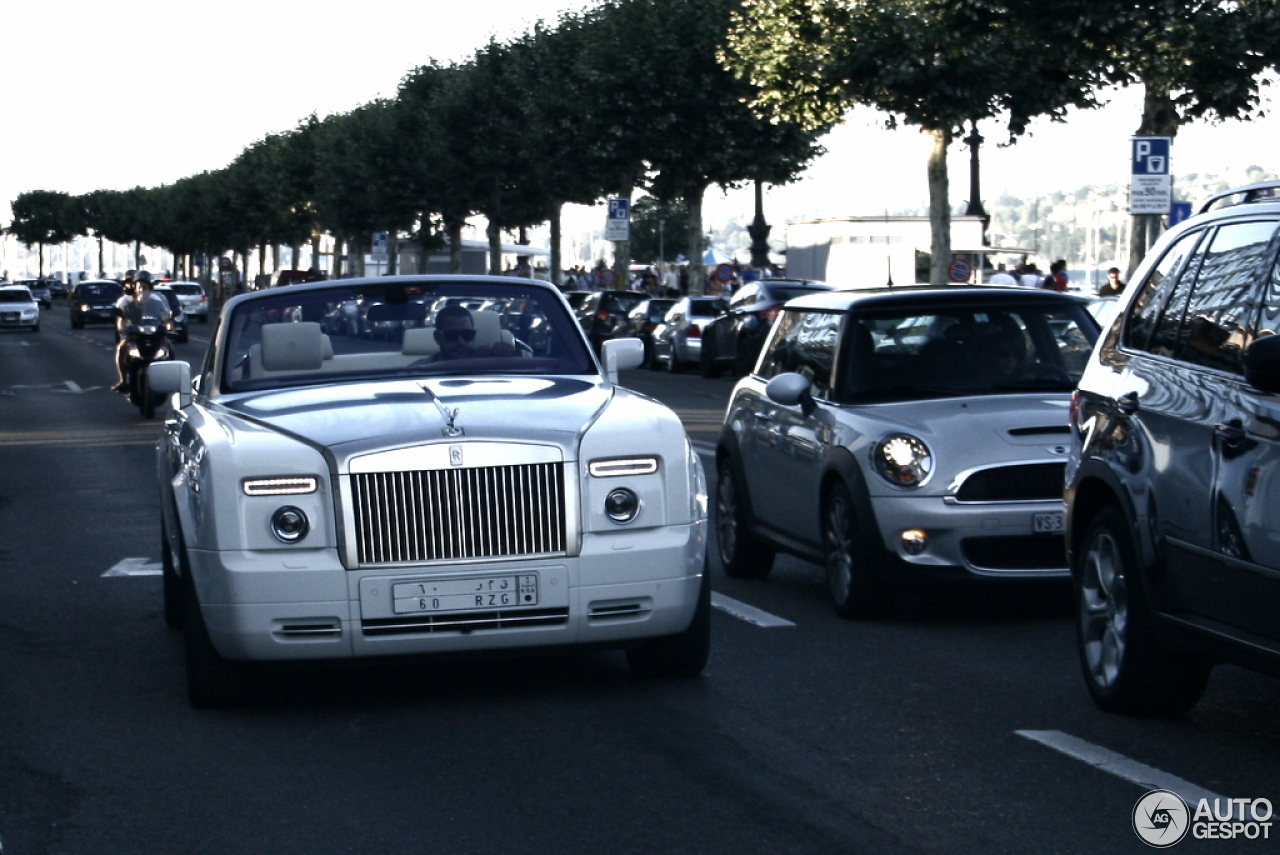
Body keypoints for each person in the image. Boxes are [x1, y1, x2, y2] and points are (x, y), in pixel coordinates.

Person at [111, 270, 171, 392]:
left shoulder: (158, 300)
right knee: (121, 348)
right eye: (140, 286)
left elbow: (165, 315)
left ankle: (170, 377)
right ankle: (123, 380)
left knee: (168, 346)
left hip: (153, 332)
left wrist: (167, 323)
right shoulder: (126, 301)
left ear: (150, 287)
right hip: (134, 334)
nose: (142, 289)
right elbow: (121, 317)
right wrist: (122, 328)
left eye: (145, 287)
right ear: (135, 287)